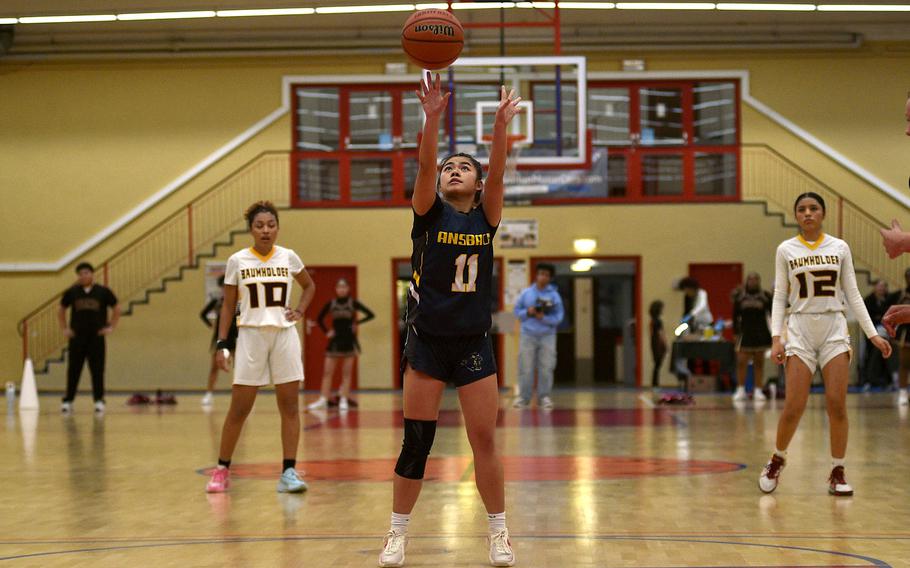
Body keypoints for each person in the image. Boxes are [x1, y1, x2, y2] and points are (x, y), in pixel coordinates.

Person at [378, 72, 520, 568]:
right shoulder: (428, 214)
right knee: (417, 442)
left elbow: (499, 174)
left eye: (465, 168)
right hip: (427, 344)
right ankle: (397, 534)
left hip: (474, 345)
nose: (453, 171)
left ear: (478, 183)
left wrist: (501, 126)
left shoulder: (486, 217)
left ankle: (499, 532)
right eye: (448, 168)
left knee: (484, 440)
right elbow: (421, 167)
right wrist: (431, 117)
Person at [758, 192, 891, 498]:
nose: (808, 213)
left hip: (833, 327)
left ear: (823, 213)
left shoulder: (840, 247)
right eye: (802, 209)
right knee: (794, 406)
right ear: (796, 215)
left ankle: (838, 470)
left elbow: (853, 293)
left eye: (813, 208)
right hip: (800, 329)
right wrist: (777, 338)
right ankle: (777, 459)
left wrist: (873, 334)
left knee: (837, 404)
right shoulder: (785, 250)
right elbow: (780, 296)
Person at [205, 201, 315, 494]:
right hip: (251, 335)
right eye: (259, 226)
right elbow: (228, 306)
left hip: (284, 335)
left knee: (290, 406)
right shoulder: (237, 261)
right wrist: (221, 343)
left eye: (271, 225)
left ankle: (289, 471)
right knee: (239, 408)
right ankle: (221, 469)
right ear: (251, 230)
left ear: (277, 227)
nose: (266, 230)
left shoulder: (288, 256)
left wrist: (300, 311)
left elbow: (310, 286)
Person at [57, 262, 120, 414]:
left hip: (96, 337)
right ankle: (68, 401)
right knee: (73, 370)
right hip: (77, 337)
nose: (83, 276)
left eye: (86, 273)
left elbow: (117, 308)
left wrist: (111, 326)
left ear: (92, 274)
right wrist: (65, 328)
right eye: (80, 273)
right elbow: (61, 309)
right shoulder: (72, 292)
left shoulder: (103, 292)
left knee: (97, 370)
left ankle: (99, 400)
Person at [307, 278, 375, 411]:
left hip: (349, 341)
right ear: (336, 289)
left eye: (344, 287)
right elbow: (319, 319)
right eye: (339, 287)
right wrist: (327, 332)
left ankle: (343, 398)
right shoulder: (331, 304)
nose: (342, 289)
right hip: (335, 341)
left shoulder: (352, 303)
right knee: (327, 372)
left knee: (346, 373)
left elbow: (370, 314)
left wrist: (357, 323)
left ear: (348, 289)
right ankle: (323, 398)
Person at [512, 263, 564, 409]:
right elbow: (516, 312)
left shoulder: (554, 296)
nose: (543, 277)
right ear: (536, 275)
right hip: (527, 335)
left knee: (546, 367)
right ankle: (524, 398)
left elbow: (559, 317)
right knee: (525, 367)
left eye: (546, 275)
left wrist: (544, 318)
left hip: (548, 336)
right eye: (541, 273)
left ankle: (544, 397)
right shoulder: (526, 293)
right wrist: (528, 312)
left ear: (550, 278)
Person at [731, 273, 772, 402]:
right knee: (741, 362)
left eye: (755, 280)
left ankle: (758, 390)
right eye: (750, 279)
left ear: (759, 281)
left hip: (761, 333)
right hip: (745, 332)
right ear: (746, 281)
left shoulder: (765, 297)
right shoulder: (740, 297)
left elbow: (772, 314)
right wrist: (735, 333)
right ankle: (740, 389)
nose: (753, 282)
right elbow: (735, 316)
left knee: (759, 363)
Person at [199, 276, 239, 407]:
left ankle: (240, 396)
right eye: (223, 286)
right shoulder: (217, 301)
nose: (225, 289)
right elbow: (203, 314)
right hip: (220, 338)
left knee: (239, 369)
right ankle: (209, 394)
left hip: (236, 337)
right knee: (214, 368)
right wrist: (211, 325)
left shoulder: (239, 302)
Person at [673, 277, 713, 381]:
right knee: (690, 351)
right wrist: (682, 325)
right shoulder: (687, 297)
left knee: (705, 352)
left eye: (687, 289)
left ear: (692, 288)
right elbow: (686, 313)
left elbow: (702, 306)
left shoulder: (702, 293)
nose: (686, 292)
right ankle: (691, 378)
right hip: (693, 325)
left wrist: (691, 315)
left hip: (706, 324)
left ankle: (706, 378)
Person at [861, 279, 894, 391]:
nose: (881, 289)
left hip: (887, 331)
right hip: (872, 333)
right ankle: (869, 380)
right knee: (871, 354)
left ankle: (888, 380)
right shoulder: (868, 300)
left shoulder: (889, 299)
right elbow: (868, 317)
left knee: (887, 354)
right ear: (874, 287)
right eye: (879, 286)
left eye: (883, 286)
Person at [888, 269, 910, 405]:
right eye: (908, 277)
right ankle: (902, 392)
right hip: (906, 332)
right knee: (904, 363)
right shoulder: (901, 294)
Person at [649, 300, 668, 390]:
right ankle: (655, 384)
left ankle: (655, 384)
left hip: (653, 342)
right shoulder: (658, 321)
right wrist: (665, 343)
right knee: (657, 364)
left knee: (657, 364)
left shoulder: (652, 320)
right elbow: (661, 333)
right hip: (658, 343)